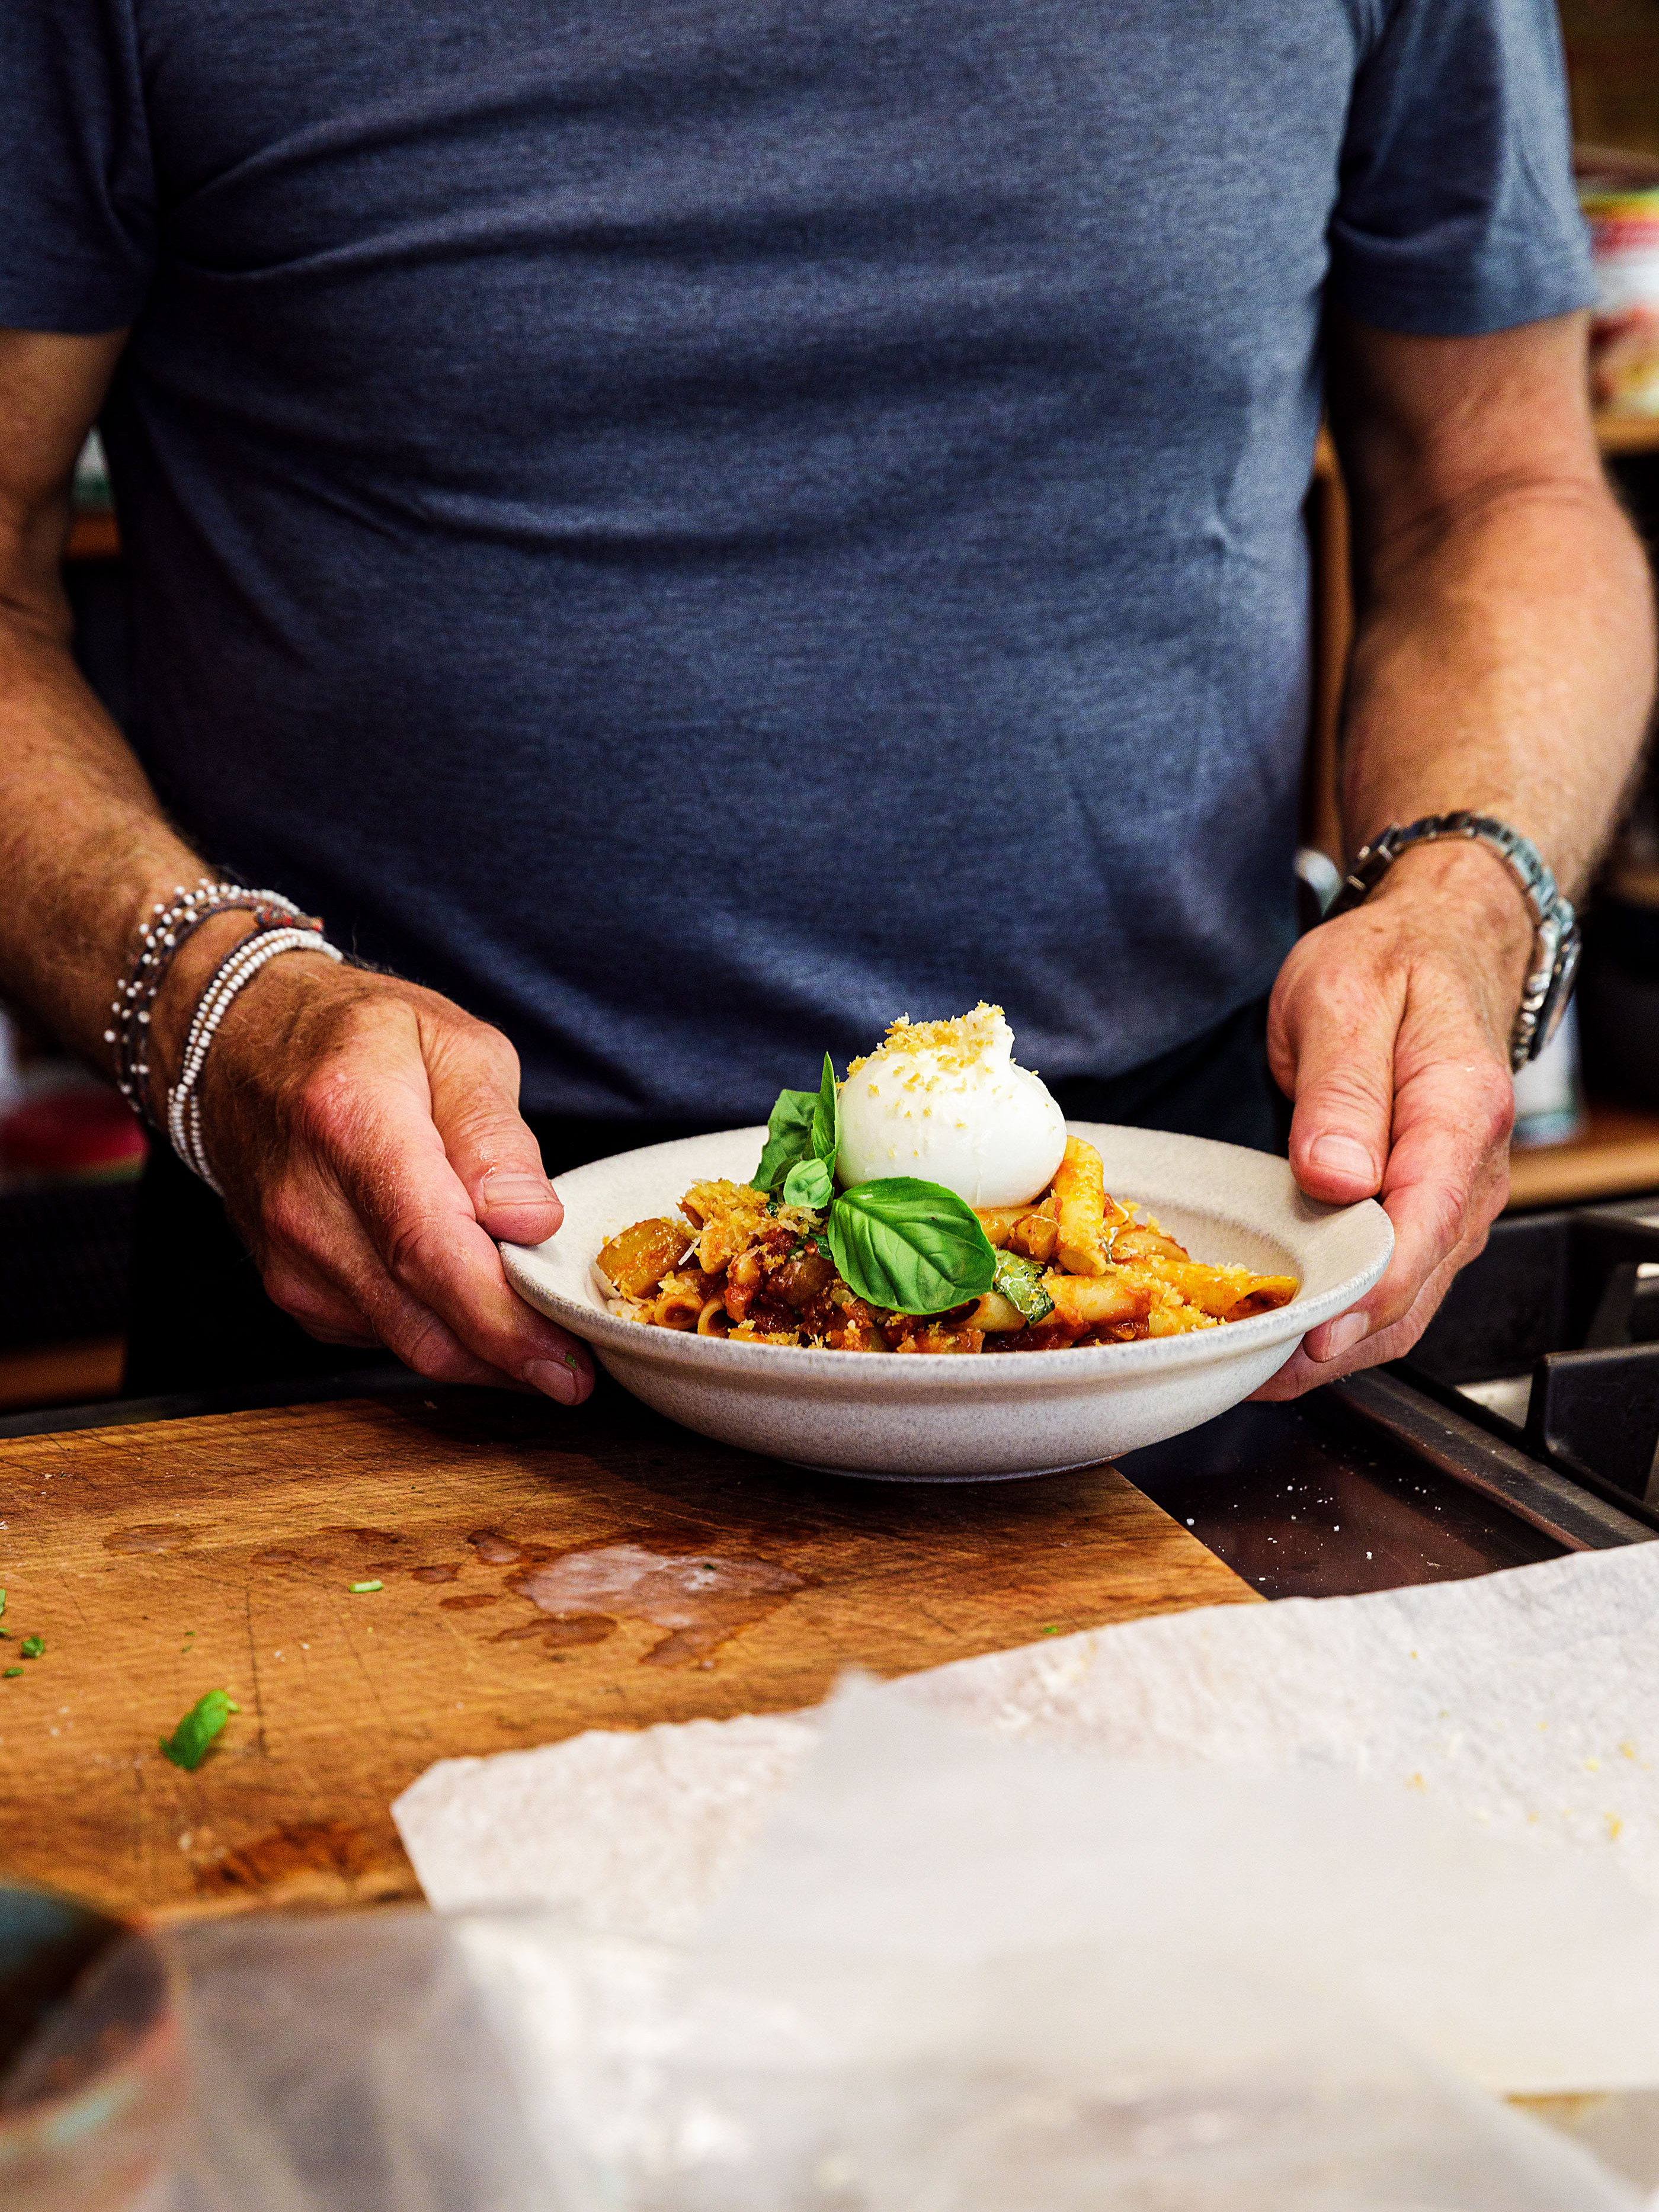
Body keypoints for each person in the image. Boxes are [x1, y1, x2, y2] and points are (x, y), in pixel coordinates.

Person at [0, 0, 1651, 1405]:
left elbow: (1494, 490)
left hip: (1178, 1268)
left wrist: (1466, 899)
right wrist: (220, 1012)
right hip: (381, 1267)